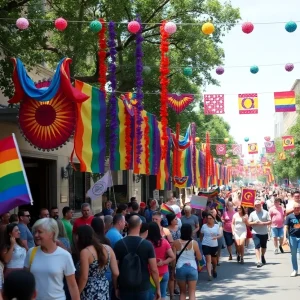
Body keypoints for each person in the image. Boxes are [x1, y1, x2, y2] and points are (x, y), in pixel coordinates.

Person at [24, 218, 80, 300]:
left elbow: (72, 286)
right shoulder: (31, 252)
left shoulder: (64, 255)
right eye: (35, 232)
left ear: (52, 234)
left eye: (40, 232)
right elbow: (26, 281)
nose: (36, 235)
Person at [114, 215, 161, 300]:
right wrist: (158, 288)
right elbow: (154, 269)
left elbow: (115, 270)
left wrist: (116, 287)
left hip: (124, 286)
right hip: (143, 286)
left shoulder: (119, 244)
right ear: (140, 226)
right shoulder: (147, 245)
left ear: (127, 225)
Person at [76, 225, 119, 299]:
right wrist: (116, 288)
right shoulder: (108, 249)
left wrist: (76, 294)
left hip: (89, 289)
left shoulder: (85, 252)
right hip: (104, 287)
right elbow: (116, 273)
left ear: (81, 237)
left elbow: (84, 278)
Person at [173, 224, 202, 300]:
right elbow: (199, 258)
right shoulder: (194, 243)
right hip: (192, 267)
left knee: (182, 292)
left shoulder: (175, 243)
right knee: (192, 292)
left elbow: (173, 259)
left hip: (180, 268)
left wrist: (173, 270)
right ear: (190, 232)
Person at [147, 222, 175, 300]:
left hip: (150, 273)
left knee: (151, 296)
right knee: (162, 295)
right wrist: (163, 262)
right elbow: (172, 256)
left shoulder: (147, 243)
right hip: (164, 272)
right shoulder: (164, 241)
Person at [248, 200, 271, 268]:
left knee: (263, 247)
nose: (257, 206)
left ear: (261, 205)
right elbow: (249, 223)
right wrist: (255, 222)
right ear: (254, 206)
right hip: (255, 233)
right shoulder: (252, 214)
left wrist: (263, 223)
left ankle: (262, 255)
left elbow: (270, 221)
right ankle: (258, 261)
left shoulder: (265, 212)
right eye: (256, 205)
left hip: (264, 232)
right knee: (257, 246)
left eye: (258, 205)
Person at [200, 213, 222, 280]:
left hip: (214, 245)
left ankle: (214, 269)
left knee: (214, 260)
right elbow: (201, 234)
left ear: (213, 219)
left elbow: (220, 235)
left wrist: (216, 237)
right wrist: (202, 241)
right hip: (206, 244)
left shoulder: (216, 226)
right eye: (208, 218)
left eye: (210, 218)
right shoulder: (204, 226)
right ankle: (209, 275)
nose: (209, 220)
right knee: (208, 259)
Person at [284, 202, 300, 277]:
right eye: (295, 208)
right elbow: (286, 227)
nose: (297, 209)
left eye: (298, 208)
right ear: (293, 209)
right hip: (292, 237)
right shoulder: (289, 216)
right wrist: (285, 237)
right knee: (293, 254)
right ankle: (295, 270)